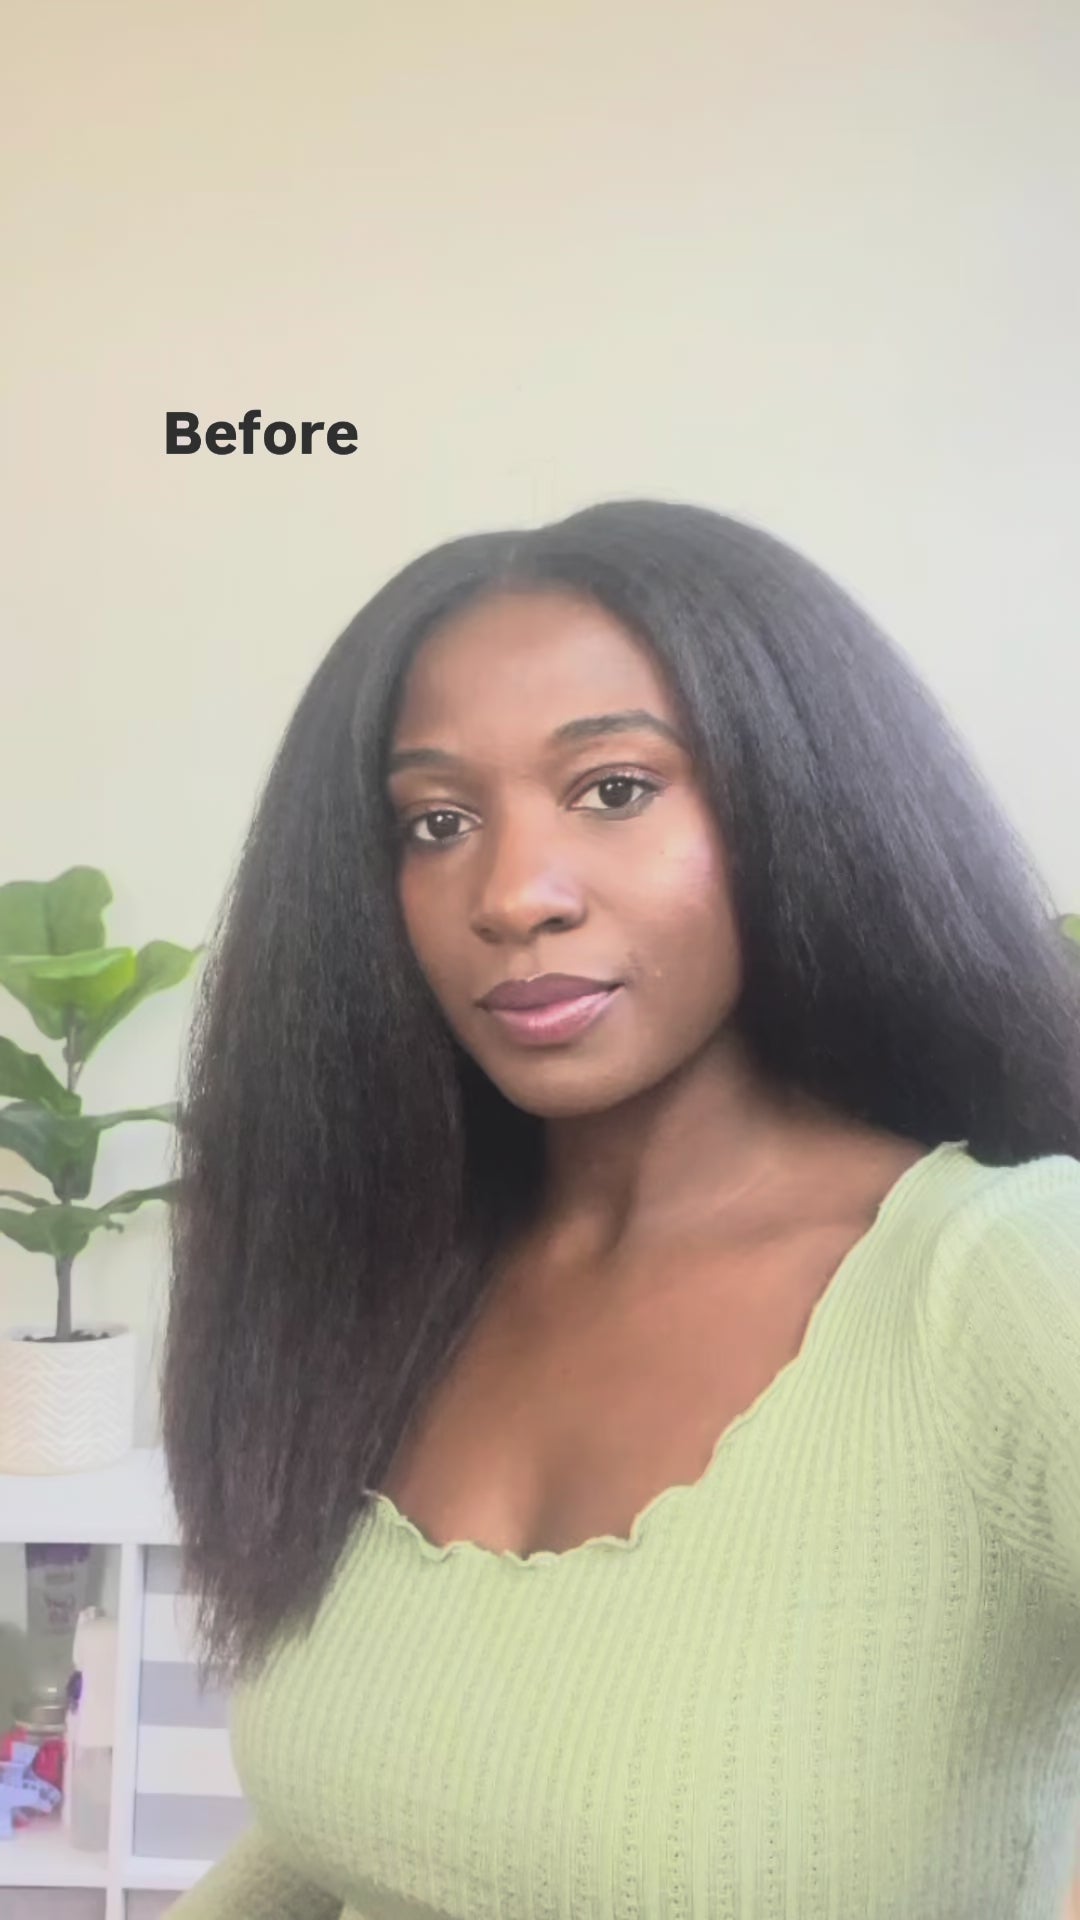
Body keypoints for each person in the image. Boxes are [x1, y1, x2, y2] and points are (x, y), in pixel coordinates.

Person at [165, 500, 1080, 1919]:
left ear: (798, 794)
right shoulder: (408, 1289)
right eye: (438, 821)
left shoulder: (1003, 1282)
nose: (513, 894)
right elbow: (334, 1844)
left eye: (614, 788)